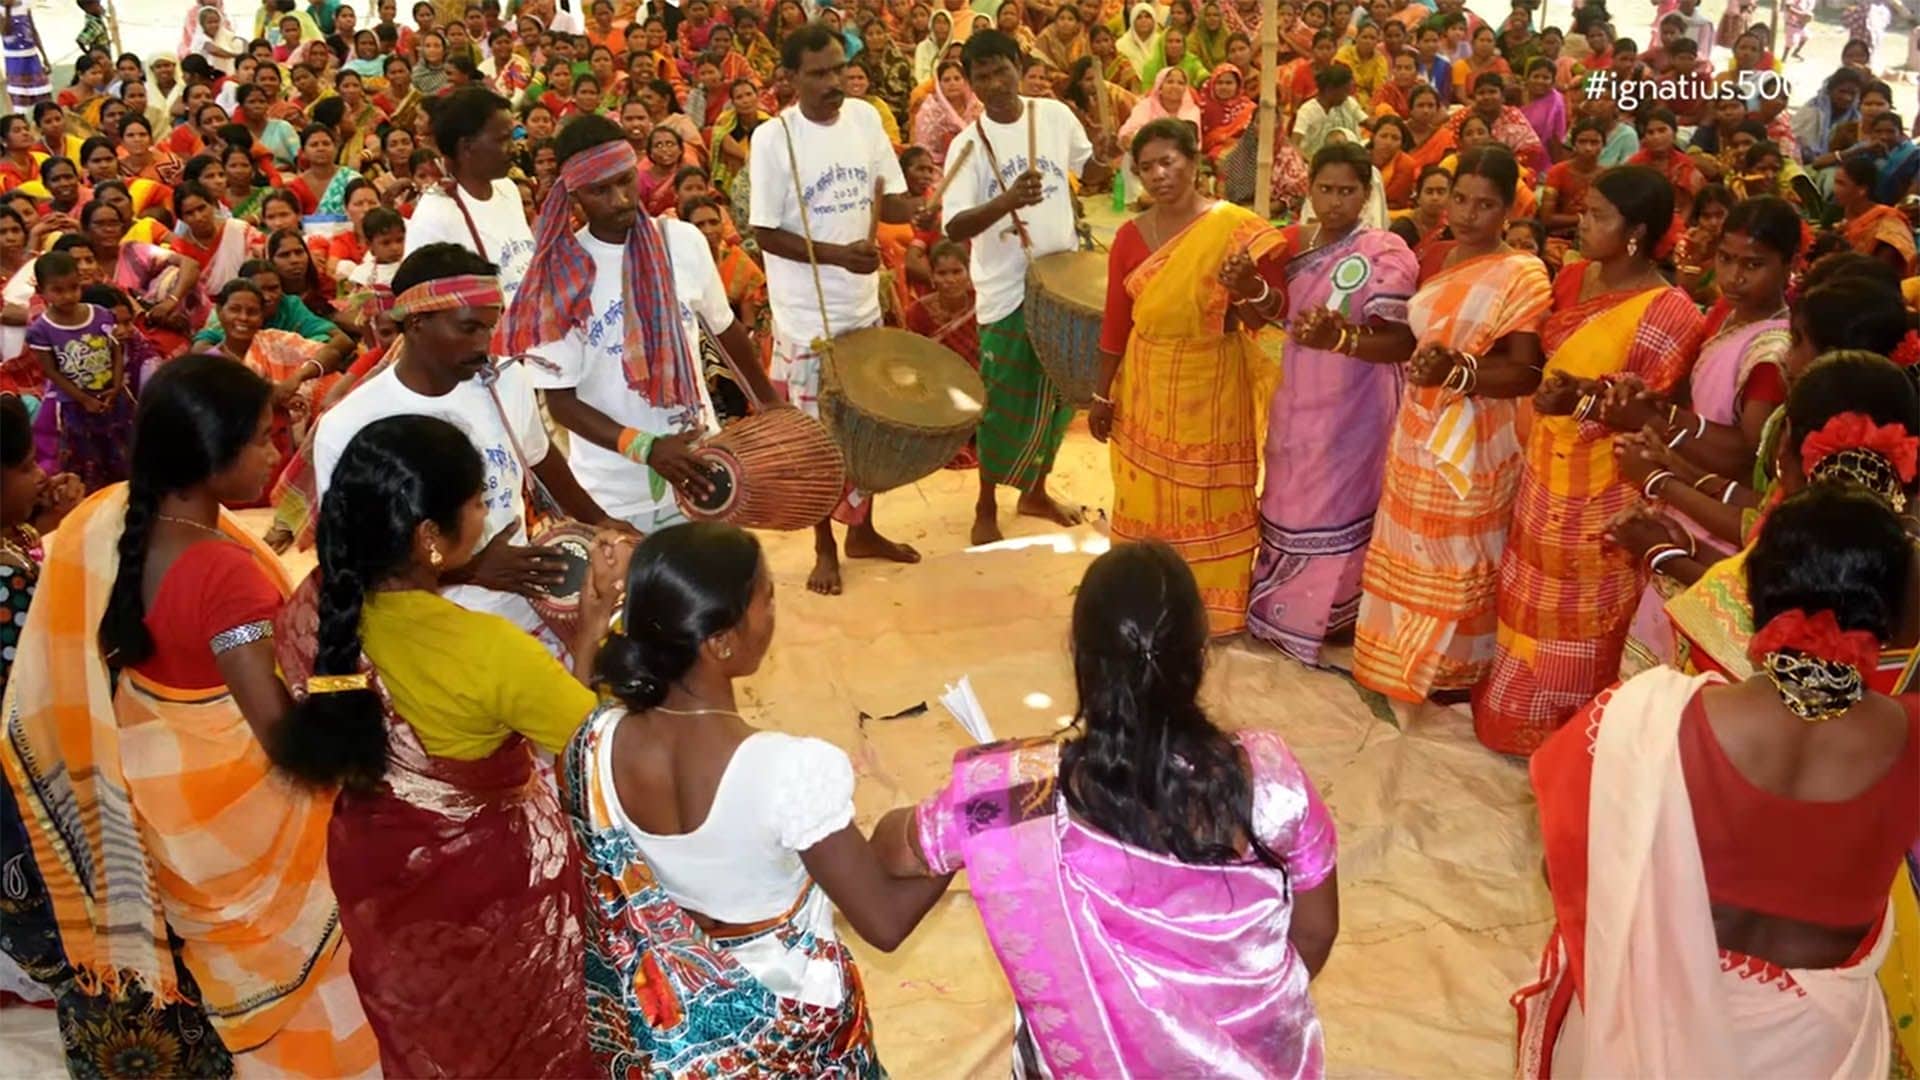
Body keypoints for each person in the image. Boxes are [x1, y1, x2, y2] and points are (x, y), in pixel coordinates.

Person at [0, 354, 381, 1075]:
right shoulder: (223, 573)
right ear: (212, 454)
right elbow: (284, 742)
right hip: (229, 815)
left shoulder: (107, 521)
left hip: (157, 790)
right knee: (309, 1010)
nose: (274, 457)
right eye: (263, 441)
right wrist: (344, 678)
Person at [875, 538, 1339, 1072]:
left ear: (1076, 652)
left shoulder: (1013, 797)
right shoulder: (1269, 777)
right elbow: (1316, 931)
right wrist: (1241, 1018)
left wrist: (953, 803)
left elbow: (896, 855)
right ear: (1202, 653)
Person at [1513, 485, 1916, 1076]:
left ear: (1753, 592)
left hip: (1649, 1028)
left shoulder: (1646, 716)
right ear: (1896, 613)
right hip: (1813, 1046)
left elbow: (1567, 870)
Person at [269, 414, 610, 1076]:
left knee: (433, 1041)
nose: (488, 514)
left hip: (375, 862)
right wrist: (589, 633)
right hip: (495, 886)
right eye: (480, 502)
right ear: (428, 536)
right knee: (526, 1037)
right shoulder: (490, 652)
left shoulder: (310, 609)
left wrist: (464, 576)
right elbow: (597, 750)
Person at [562, 523, 951, 1072]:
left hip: (674, 1032)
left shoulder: (593, 744)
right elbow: (884, 921)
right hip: (788, 1034)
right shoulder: (789, 772)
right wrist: (966, 825)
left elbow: (585, 722)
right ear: (721, 642)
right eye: (766, 596)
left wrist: (589, 633)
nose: (773, 607)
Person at [1475, 164, 1705, 755]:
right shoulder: (1575, 278)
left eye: (1598, 214)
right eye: (1584, 209)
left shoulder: (1670, 311)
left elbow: (1650, 411)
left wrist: (1581, 400)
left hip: (1607, 481)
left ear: (1636, 233)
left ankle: (1569, 737)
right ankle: (1513, 718)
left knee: (1585, 608)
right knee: (1526, 595)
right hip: (1545, 465)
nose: (1582, 221)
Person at [311, 243, 620, 646]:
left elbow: (540, 457)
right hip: (427, 634)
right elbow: (350, 561)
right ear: (417, 323)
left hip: (525, 616)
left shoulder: (506, 382)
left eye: (490, 327)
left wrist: (601, 521)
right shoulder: (351, 424)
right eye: (468, 327)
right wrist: (468, 569)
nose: (483, 344)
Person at [506, 115, 778, 533]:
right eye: (601, 190)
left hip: (704, 463)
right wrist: (648, 449)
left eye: (625, 181)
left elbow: (725, 333)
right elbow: (560, 402)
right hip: (618, 491)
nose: (619, 200)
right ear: (574, 195)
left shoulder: (682, 242)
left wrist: (771, 405)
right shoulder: (560, 276)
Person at [1352, 146, 1552, 704]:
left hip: (1478, 433)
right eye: (1460, 198)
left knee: (1464, 548)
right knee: (1409, 537)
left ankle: (1453, 672)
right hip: (1419, 422)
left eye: (1485, 205)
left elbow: (1525, 369)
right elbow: (1414, 342)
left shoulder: (1521, 272)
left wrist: (1458, 371)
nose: (1467, 213)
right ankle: (1395, 658)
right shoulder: (1436, 256)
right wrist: (1346, 341)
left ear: (1509, 211)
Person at [749, 24, 926, 595]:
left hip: (859, 305)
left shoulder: (867, 120)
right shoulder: (772, 139)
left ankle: (863, 531)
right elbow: (763, 232)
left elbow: (888, 194)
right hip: (806, 317)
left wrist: (922, 199)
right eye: (819, 73)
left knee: (863, 426)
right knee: (819, 440)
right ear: (790, 79)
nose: (834, 83)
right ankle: (824, 544)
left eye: (838, 69)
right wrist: (834, 256)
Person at [1091, 118, 1285, 636]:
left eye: (1168, 161)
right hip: (1146, 383)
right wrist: (1100, 392)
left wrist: (1245, 286)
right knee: (1147, 496)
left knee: (1211, 494)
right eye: (1147, 166)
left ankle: (1213, 610)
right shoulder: (1130, 238)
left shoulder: (1234, 228)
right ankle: (1147, 600)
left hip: (1213, 379)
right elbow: (1116, 322)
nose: (1159, 174)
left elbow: (1266, 315)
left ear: (1194, 162)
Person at [1248, 143, 1418, 664]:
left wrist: (1342, 341)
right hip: (1299, 393)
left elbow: (1402, 342)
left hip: (1357, 402)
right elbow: (1270, 316)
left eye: (1348, 191)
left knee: (1343, 502)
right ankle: (1279, 612)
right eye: (1326, 189)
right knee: (1287, 492)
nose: (1336, 201)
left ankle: (1337, 616)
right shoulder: (1291, 244)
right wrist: (1247, 288)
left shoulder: (1386, 251)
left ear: (1367, 194)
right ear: (1309, 189)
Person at [1610, 196, 1797, 672]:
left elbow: (1746, 456)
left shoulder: (1771, 351)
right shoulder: (1725, 314)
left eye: (1753, 265)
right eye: (1726, 260)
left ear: (1789, 265)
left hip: (1719, 515)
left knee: (1689, 656)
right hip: (1688, 487)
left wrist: (1660, 428)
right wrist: (1655, 401)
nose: (1735, 277)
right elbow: (1695, 403)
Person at [941, 31, 1109, 544]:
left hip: (1060, 283)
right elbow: (954, 227)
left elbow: (1093, 172)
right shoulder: (966, 147)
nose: (994, 84)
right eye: (982, 76)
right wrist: (1005, 201)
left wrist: (1110, 154)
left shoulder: (1054, 117)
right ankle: (986, 502)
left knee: (1057, 397)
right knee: (1003, 402)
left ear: (1020, 65)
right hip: (1004, 289)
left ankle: (1034, 491)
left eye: (1001, 70)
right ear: (970, 84)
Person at [404, 86, 536, 308]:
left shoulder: (508, 190)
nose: (513, 149)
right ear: (466, 147)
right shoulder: (434, 216)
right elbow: (424, 304)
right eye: (503, 139)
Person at [25, 250, 133, 492]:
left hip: (113, 398)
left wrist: (116, 386)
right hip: (76, 406)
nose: (68, 296)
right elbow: (50, 371)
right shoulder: (41, 329)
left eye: (73, 287)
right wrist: (83, 399)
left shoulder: (101, 314)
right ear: (42, 292)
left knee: (124, 452)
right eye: (58, 290)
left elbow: (116, 349)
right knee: (89, 460)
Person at [1292, 62, 1366, 159]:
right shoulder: (1307, 111)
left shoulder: (1348, 103)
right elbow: (1294, 145)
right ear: (1330, 90)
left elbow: (1367, 122)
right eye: (1345, 91)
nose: (1347, 96)